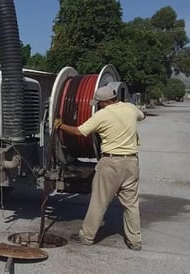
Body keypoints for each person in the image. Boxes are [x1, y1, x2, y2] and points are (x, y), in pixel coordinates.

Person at [54, 85, 145, 251]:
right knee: (131, 204)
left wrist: (61, 126)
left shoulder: (102, 115)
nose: (98, 105)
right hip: (131, 163)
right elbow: (142, 116)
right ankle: (135, 242)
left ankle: (87, 237)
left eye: (99, 103)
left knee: (99, 202)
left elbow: (80, 132)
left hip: (110, 163)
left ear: (106, 101)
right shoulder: (130, 108)